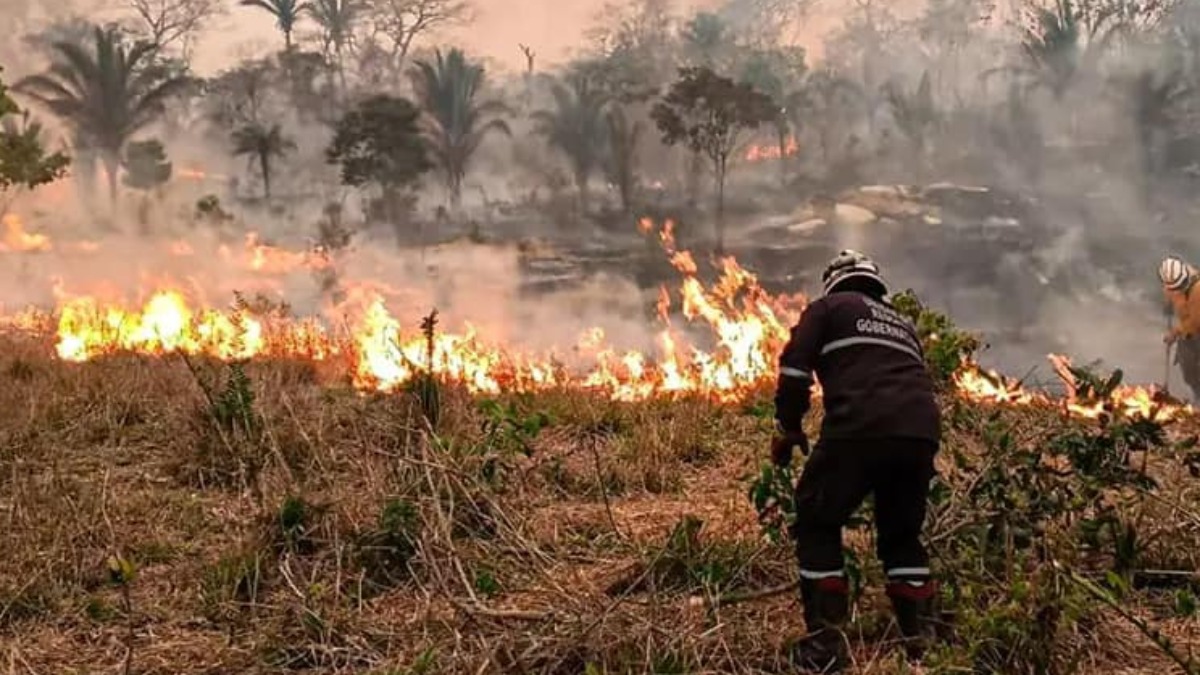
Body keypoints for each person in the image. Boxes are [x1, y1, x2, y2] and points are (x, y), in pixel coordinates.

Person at [771, 250, 942, 672]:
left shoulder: (827, 308)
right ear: (874, 283)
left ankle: (825, 645)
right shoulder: (902, 323)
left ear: (834, 282)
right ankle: (922, 639)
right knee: (902, 535)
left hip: (860, 426)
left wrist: (789, 427)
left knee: (816, 518)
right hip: (920, 434)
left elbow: (794, 370)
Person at [1158, 255, 1200, 399]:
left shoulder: (1197, 289)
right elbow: (1171, 295)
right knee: (1188, 369)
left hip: (1196, 328)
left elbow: (1195, 322)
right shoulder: (1171, 280)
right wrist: (1168, 304)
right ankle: (1197, 394)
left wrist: (1174, 333)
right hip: (1186, 332)